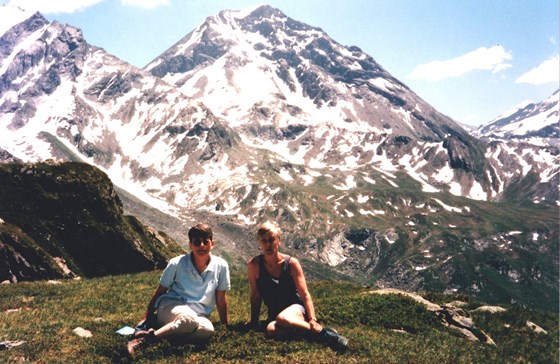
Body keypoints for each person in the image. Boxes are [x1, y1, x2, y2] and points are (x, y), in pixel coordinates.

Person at [127, 223, 230, 356]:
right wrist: (146, 318)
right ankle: (143, 341)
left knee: (207, 330)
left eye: (206, 242)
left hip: (199, 314)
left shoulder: (221, 266)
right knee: (189, 320)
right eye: (197, 242)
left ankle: (159, 339)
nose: (202, 246)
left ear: (212, 243)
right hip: (171, 307)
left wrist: (225, 325)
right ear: (190, 245)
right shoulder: (176, 263)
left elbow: (221, 299)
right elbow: (160, 292)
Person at [247, 221, 348, 353]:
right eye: (263, 240)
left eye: (271, 239)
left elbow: (305, 295)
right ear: (259, 243)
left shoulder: (291, 263)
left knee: (282, 318)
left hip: (297, 309)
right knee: (271, 329)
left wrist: (312, 318)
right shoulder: (254, 265)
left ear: (279, 240)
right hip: (274, 314)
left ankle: (327, 335)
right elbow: (256, 295)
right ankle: (310, 335)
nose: (268, 244)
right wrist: (254, 322)